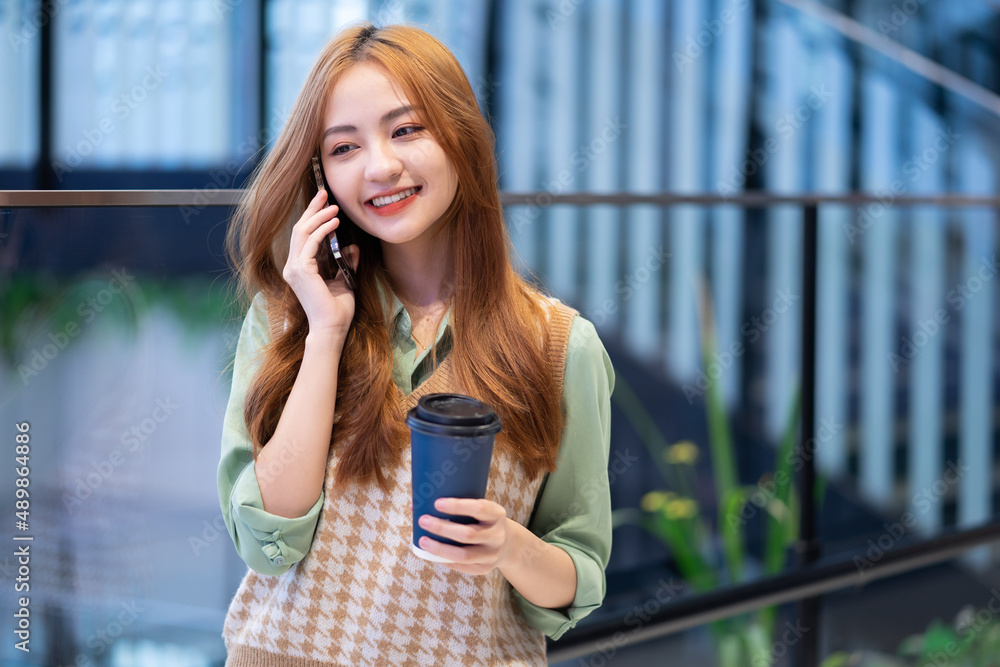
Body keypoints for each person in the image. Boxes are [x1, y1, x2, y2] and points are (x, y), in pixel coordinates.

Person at [217, 22, 614, 667]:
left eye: (406, 130)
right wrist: (326, 333)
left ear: (460, 137)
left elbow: (576, 579)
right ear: (320, 176)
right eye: (343, 148)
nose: (380, 167)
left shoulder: (559, 346)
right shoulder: (289, 318)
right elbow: (269, 544)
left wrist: (509, 546)